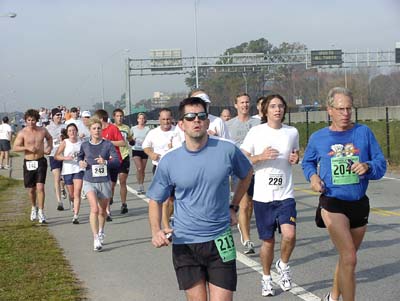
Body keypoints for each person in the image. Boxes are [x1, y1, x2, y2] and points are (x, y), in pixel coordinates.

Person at [148, 97, 253, 301]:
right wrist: (156, 230)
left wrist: (233, 206)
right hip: (185, 242)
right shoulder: (169, 160)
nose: (196, 121)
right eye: (190, 117)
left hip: (220, 239)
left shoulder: (227, 150)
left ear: (207, 122)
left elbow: (247, 173)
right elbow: (155, 200)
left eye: (201, 116)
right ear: (181, 124)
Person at [302, 87, 386, 301]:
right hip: (332, 202)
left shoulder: (363, 132)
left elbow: (380, 163)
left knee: (347, 259)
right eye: (341, 109)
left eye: (349, 108)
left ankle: (333, 296)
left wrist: (367, 167)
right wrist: (313, 177)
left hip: (358, 202)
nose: (346, 113)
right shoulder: (318, 137)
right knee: (349, 257)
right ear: (329, 110)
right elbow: (308, 162)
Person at [241, 94, 299, 296]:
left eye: (281, 106)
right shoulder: (256, 132)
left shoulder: (292, 132)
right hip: (263, 196)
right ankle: (266, 278)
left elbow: (294, 153)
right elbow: (243, 157)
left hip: (285, 193)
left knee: (290, 235)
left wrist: (295, 157)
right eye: (273, 106)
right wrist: (260, 157)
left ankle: (283, 265)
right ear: (265, 110)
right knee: (268, 241)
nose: (277, 109)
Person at [77, 118, 120, 251]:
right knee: (94, 209)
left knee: (102, 211)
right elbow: (79, 157)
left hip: (104, 181)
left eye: (99, 128)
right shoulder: (84, 145)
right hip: (89, 180)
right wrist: (81, 162)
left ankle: (101, 231)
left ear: (102, 130)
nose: (97, 131)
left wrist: (105, 161)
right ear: (90, 130)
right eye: (94, 128)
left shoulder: (108, 145)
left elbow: (117, 161)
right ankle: (95, 238)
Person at [226, 92, 260, 254]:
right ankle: (247, 240)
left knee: (251, 205)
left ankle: (243, 224)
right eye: (241, 102)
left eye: (247, 102)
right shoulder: (229, 125)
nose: (245, 105)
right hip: (238, 171)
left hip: (258, 169)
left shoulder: (258, 123)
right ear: (236, 105)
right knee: (244, 204)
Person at [13, 109, 53, 224]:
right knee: (31, 190)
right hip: (29, 162)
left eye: (33, 120)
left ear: (37, 120)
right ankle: (33, 207)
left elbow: (49, 138)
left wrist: (48, 148)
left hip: (40, 161)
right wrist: (27, 148)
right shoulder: (22, 133)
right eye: (29, 120)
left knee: (40, 187)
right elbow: (15, 147)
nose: (31, 122)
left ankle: (41, 211)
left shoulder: (42, 130)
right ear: (26, 120)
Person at [143, 108, 176, 230]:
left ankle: (167, 218)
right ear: (159, 120)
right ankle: (166, 226)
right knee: (165, 199)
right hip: (160, 168)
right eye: (163, 119)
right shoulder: (153, 133)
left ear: (172, 119)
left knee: (172, 200)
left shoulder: (177, 131)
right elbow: (145, 146)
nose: (166, 121)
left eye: (168, 119)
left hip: (176, 168)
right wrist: (151, 154)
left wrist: (174, 147)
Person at [93, 109, 124, 221]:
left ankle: (106, 203)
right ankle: (107, 212)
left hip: (113, 161)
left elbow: (122, 143)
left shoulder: (113, 128)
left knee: (111, 186)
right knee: (103, 186)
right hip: (100, 163)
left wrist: (108, 142)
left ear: (101, 119)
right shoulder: (95, 130)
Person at [55, 123, 84, 224]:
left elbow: (86, 154)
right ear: (67, 133)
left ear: (77, 131)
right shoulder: (65, 142)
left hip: (79, 169)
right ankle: (72, 202)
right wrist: (65, 158)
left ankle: (76, 216)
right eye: (70, 131)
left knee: (77, 192)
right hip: (67, 170)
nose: (72, 132)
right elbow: (56, 156)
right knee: (71, 194)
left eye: (74, 130)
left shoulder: (82, 142)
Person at [113, 108, 135, 214]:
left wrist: (132, 142)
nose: (120, 118)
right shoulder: (111, 128)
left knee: (122, 181)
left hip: (124, 156)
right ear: (114, 117)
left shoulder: (126, 128)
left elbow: (130, 139)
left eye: (121, 116)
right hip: (113, 157)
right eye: (117, 116)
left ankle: (123, 204)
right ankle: (109, 199)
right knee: (111, 183)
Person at [46, 108, 67, 210]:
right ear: (52, 116)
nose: (59, 116)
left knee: (65, 178)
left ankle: (63, 189)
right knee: (57, 178)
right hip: (54, 155)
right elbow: (45, 142)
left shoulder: (65, 126)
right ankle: (59, 202)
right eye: (57, 115)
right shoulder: (48, 128)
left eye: (60, 115)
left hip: (65, 155)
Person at [130, 112, 150, 194]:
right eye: (140, 118)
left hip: (144, 150)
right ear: (137, 119)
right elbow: (129, 140)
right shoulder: (133, 129)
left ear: (145, 120)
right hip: (136, 150)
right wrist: (132, 140)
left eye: (143, 118)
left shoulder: (147, 129)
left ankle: (141, 185)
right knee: (139, 168)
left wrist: (145, 142)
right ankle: (139, 185)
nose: (141, 120)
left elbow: (150, 140)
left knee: (142, 170)